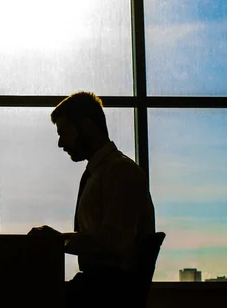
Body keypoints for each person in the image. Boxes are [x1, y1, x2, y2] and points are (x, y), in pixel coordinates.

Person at [28, 91, 155, 307]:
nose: (60, 143)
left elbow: (115, 242)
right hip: (99, 288)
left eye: (64, 132)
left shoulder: (121, 172)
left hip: (107, 293)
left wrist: (59, 241)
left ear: (86, 127)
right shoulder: (101, 173)